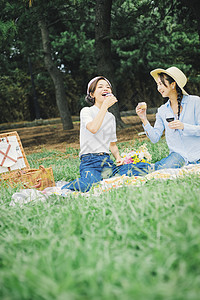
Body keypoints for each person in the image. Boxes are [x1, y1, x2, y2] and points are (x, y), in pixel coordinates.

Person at [62, 76, 151, 192]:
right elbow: (93, 128)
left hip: (107, 162)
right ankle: (63, 189)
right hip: (90, 162)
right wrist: (104, 106)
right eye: (100, 87)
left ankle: (107, 178)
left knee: (144, 168)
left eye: (108, 87)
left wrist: (119, 158)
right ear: (92, 94)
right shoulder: (86, 111)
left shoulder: (111, 117)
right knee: (89, 186)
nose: (105, 89)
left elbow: (112, 144)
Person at [136, 66, 200, 170]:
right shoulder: (162, 111)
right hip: (178, 157)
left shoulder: (195, 102)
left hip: (197, 154)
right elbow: (155, 138)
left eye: (161, 84)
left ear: (173, 84)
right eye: (157, 85)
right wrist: (144, 118)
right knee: (156, 170)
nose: (158, 88)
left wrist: (184, 126)